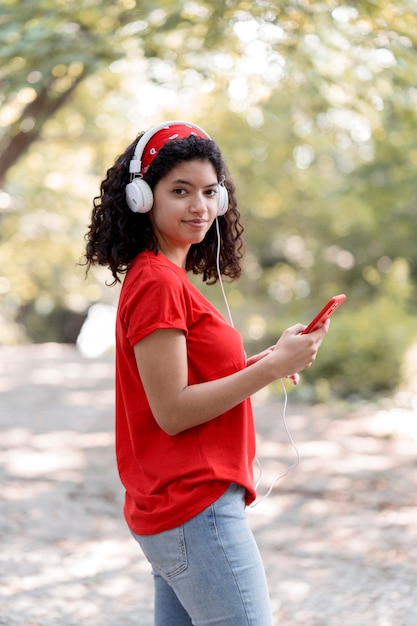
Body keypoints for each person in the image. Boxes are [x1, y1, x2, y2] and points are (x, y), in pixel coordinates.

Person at [83, 120, 329, 626]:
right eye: (180, 191)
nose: (200, 206)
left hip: (184, 510)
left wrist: (267, 361)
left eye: (209, 191)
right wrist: (270, 371)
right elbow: (172, 411)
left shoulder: (166, 278)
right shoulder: (156, 282)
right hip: (195, 509)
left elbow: (189, 383)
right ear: (141, 198)